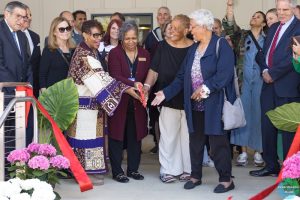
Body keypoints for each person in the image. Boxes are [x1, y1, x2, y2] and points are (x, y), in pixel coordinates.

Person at [151, 9, 235, 193]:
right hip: (195, 105)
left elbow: (225, 74)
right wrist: (165, 93)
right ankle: (195, 176)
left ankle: (226, 180)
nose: (190, 29)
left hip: (215, 104)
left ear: (204, 27)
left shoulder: (221, 45)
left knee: (217, 142)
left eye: (193, 26)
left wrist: (205, 88)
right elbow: (181, 77)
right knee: (195, 141)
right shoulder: (193, 49)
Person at [67, 20, 131, 185]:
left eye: (100, 35)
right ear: (85, 35)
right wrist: (125, 88)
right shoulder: (83, 55)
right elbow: (100, 79)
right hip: (84, 108)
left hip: (91, 106)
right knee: (85, 139)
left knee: (90, 139)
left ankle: (90, 171)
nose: (98, 39)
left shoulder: (91, 52)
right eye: (94, 35)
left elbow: (102, 77)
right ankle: (84, 173)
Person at [250, 0, 300, 177]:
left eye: (285, 9)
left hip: (287, 86)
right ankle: (271, 165)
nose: (281, 13)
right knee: (267, 126)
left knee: (287, 131)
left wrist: (273, 73)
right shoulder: (273, 28)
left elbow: (292, 58)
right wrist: (264, 70)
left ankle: (289, 171)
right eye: (279, 9)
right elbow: (265, 52)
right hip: (268, 85)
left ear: (293, 9)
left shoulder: (298, 27)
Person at [143, 15, 193, 183]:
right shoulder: (162, 46)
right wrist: (147, 87)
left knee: (187, 137)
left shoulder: (194, 48)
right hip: (165, 97)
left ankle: (188, 169)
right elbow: (154, 70)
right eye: (170, 27)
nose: (170, 30)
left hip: (189, 99)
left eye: (175, 27)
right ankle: (168, 170)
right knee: (169, 135)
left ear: (186, 30)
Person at [223, 0, 267, 167]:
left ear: (263, 23)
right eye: (253, 16)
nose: (253, 18)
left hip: (262, 83)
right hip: (243, 83)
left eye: (258, 17)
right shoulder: (242, 36)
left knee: (258, 116)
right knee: (243, 116)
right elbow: (230, 27)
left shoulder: (268, 39)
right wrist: (229, 7)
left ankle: (257, 152)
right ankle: (242, 152)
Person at [107, 20, 150, 183]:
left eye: (134, 38)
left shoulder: (145, 54)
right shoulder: (115, 54)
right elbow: (115, 76)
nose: (131, 42)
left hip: (138, 102)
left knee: (135, 136)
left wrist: (145, 88)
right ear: (121, 38)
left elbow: (148, 77)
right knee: (117, 136)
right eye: (127, 39)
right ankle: (117, 171)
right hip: (120, 101)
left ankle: (133, 169)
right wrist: (133, 85)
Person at [0, 1, 32, 178]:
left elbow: (27, 64)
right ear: (7, 14)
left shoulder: (21, 36)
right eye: (18, 16)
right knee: (4, 135)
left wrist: (28, 85)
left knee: (16, 134)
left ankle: (14, 173)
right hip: (5, 93)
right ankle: (3, 173)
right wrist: (14, 87)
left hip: (21, 95)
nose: (22, 20)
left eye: (24, 17)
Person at [39, 17, 76, 92]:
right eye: (61, 29)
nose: (65, 31)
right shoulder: (49, 50)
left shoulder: (74, 49)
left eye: (67, 28)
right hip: (54, 94)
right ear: (54, 32)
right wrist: (45, 93)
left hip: (70, 93)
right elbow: (42, 74)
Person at [22, 5, 41, 98]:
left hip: (34, 87)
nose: (30, 18)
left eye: (30, 15)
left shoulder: (35, 36)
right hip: (17, 86)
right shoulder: (11, 38)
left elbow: (38, 61)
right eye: (26, 15)